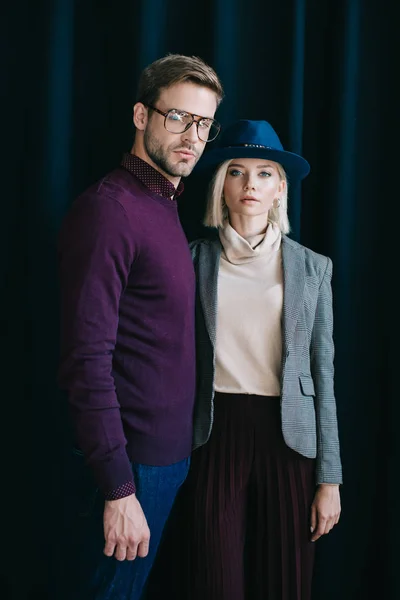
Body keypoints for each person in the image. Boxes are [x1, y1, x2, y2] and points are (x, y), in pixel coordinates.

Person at [57, 53, 223, 600]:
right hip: (129, 469)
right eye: (177, 117)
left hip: (165, 459)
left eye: (202, 124)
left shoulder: (164, 202)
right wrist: (120, 488)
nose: (191, 136)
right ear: (140, 115)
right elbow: (86, 359)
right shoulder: (110, 210)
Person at [186, 119, 342, 600]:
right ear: (221, 187)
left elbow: (323, 373)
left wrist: (330, 479)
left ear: (280, 189)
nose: (250, 184)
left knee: (286, 584)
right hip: (215, 433)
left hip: (289, 440)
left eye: (264, 173)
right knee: (216, 584)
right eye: (236, 172)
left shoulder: (313, 268)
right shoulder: (191, 260)